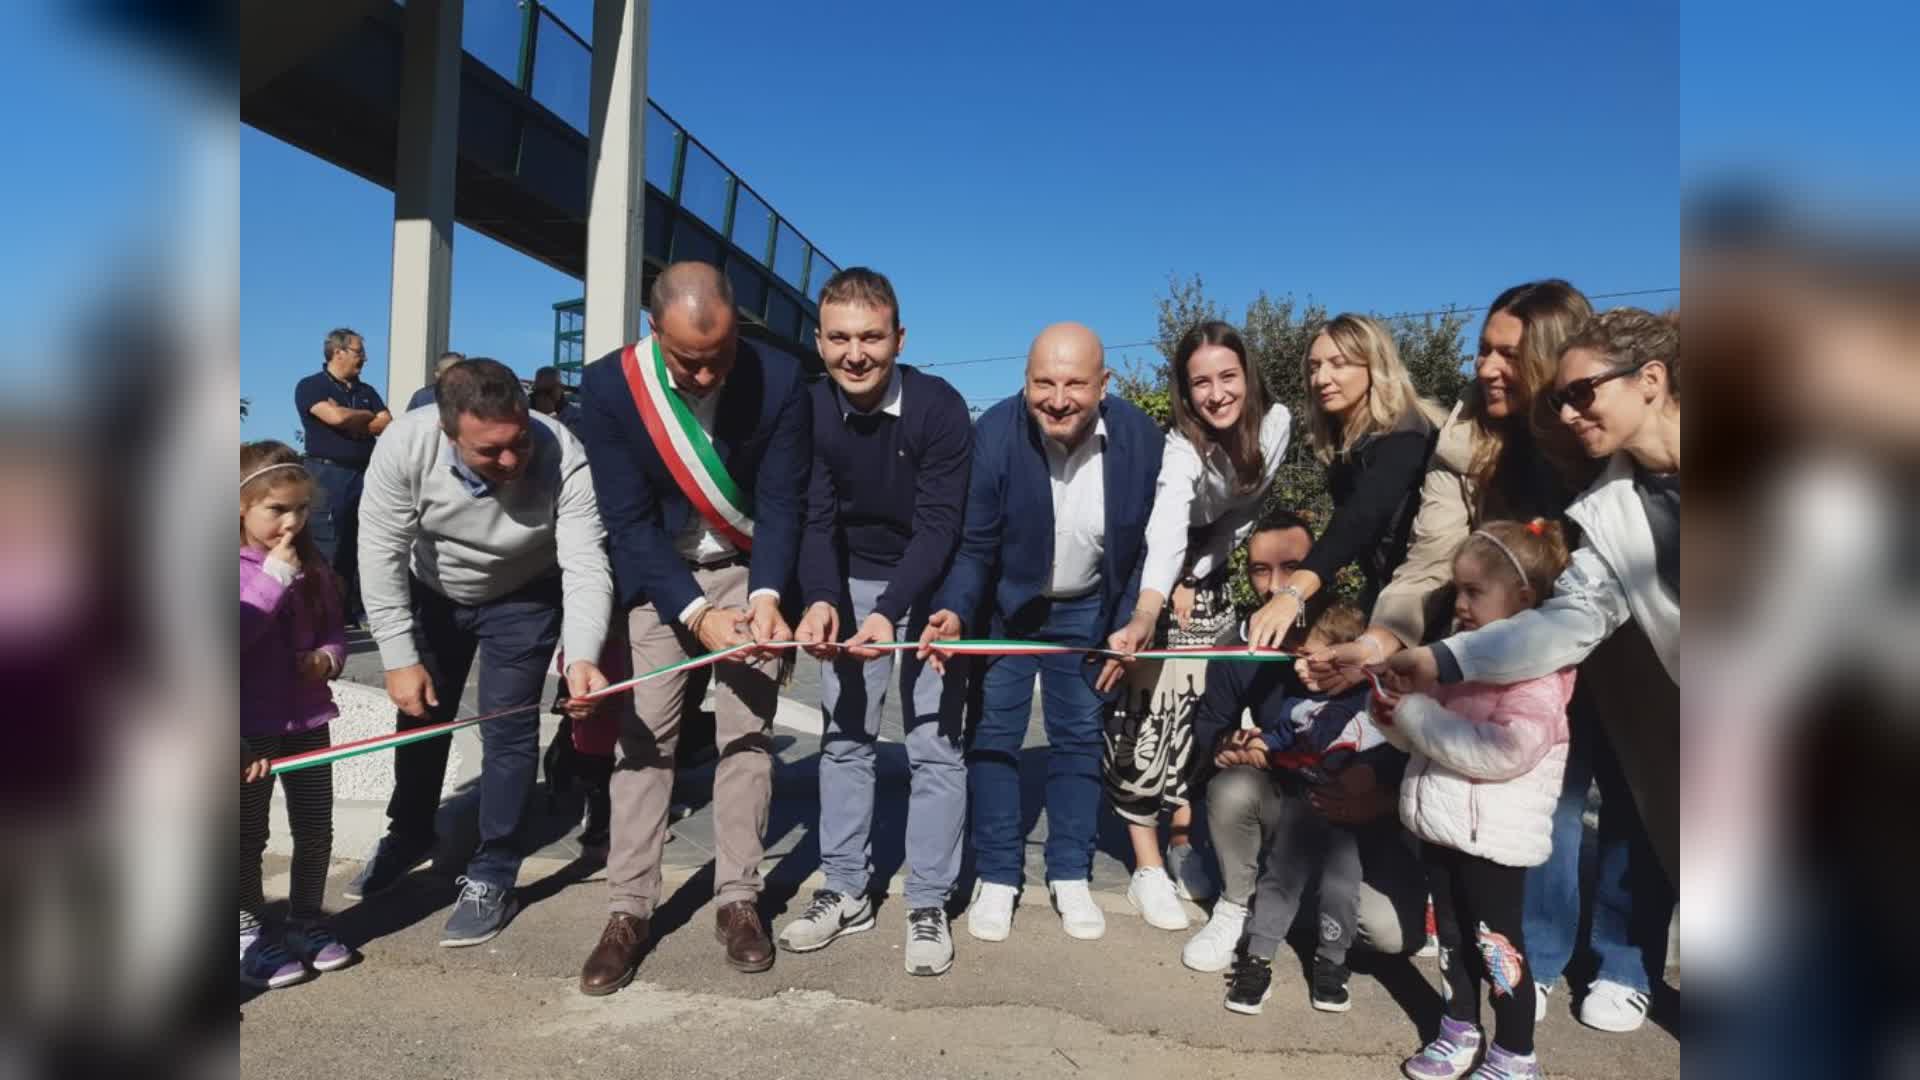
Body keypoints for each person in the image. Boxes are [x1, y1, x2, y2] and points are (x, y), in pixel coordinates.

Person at [1303, 281, 1670, 1027]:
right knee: (1547, 799)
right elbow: (1434, 557)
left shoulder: (1612, 449)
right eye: (1482, 348)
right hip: (1528, 642)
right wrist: (1396, 646)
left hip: (1644, 654)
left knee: (1639, 800)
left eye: (1509, 352)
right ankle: (1528, 959)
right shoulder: (1471, 439)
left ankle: (1625, 957)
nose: (1486, 366)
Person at [572, 261, 810, 992]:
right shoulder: (611, 388)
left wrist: (767, 595)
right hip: (663, 580)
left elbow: (782, 501)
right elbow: (627, 522)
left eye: (720, 357)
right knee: (645, 743)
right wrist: (695, 613)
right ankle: (628, 910)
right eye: (687, 362)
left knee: (746, 740)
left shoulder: (781, 376)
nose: (705, 378)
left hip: (747, 571)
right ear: (653, 332)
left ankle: (739, 898)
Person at [348, 358, 614, 949]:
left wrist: (583, 655)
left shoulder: (562, 449)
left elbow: (586, 561)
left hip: (525, 591)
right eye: (489, 452)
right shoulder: (404, 444)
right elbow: (380, 548)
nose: (511, 461)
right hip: (434, 589)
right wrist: (396, 654)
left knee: (510, 727)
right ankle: (410, 831)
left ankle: (494, 868)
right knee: (418, 712)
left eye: (517, 443)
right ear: (446, 432)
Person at [916, 322, 1162, 944]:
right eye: (1042, 383)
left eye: (1075, 383)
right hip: (1007, 607)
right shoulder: (995, 434)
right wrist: (956, 612)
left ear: (1103, 384)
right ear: (1024, 382)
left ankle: (1070, 873)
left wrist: (1131, 618)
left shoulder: (1140, 437)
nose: (1057, 398)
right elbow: (975, 547)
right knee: (994, 734)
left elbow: (1145, 548)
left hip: (1088, 609)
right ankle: (999, 876)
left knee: (1078, 737)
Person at [783, 268, 973, 976]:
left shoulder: (940, 407)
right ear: (819, 339)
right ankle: (844, 888)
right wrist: (823, 597)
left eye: (870, 337)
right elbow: (814, 516)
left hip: (930, 580)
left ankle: (927, 899)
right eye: (839, 338)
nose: (854, 354)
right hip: (850, 575)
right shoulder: (808, 411)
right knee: (846, 739)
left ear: (899, 338)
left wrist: (892, 612)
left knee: (933, 744)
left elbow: (939, 524)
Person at [1185, 519, 1425, 1017]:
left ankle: (1308, 915)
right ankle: (1237, 905)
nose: (1275, 586)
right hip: (1289, 808)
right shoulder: (1241, 647)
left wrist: (1377, 799)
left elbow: (1415, 750)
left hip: (1363, 825)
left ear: (1323, 569)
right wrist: (1228, 747)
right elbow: (1211, 729)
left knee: (1392, 935)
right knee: (1232, 787)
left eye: (1291, 568)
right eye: (1259, 570)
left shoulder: (1370, 645)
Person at [1097, 320, 1292, 927]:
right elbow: (1165, 530)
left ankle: (1183, 845)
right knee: (1143, 718)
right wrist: (1152, 606)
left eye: (1227, 376)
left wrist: (1203, 567)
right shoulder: (1183, 447)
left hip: (1209, 575)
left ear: (1247, 375)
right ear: (1185, 391)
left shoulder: (1276, 424)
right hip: (1152, 577)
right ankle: (1147, 865)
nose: (1216, 394)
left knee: (1193, 714)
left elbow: (1244, 515)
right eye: (1200, 382)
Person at [1377, 519, 1577, 1080]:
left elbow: (1502, 752)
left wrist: (1416, 715)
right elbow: (1423, 734)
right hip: (1442, 827)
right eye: (1456, 589)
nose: (1459, 604)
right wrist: (1393, 715)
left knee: (1497, 948)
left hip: (1493, 842)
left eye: (1473, 591)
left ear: (1523, 598)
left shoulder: (1537, 677)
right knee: (1452, 940)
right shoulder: (1457, 661)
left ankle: (1516, 1053)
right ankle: (1458, 1026)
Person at [1244, 314, 1443, 649]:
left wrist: (1293, 593)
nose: (1322, 378)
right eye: (1314, 366)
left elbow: (1361, 518)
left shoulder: (1408, 432)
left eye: (1339, 364)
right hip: (1392, 601)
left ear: (1374, 366)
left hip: (1434, 608)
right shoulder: (1345, 447)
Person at [239, 441, 358, 989]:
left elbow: (335, 628)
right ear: (240, 507)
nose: (290, 522)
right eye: (276, 510)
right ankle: (245, 930)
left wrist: (328, 659)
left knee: (315, 828)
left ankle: (307, 920)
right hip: (248, 730)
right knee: (245, 835)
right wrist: (274, 578)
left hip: (309, 723)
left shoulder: (313, 567)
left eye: (300, 509)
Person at [294, 328, 393, 624]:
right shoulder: (311, 386)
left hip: (365, 474)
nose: (364, 358)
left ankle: (353, 610)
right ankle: (322, 613)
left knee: (363, 541)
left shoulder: (366, 391)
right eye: (359, 351)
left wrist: (352, 418)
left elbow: (386, 422)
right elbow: (334, 417)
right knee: (329, 544)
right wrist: (363, 418)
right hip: (327, 474)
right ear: (338, 352)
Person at [530, 365, 585, 432]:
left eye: (548, 392)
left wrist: (549, 417)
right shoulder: (529, 415)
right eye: (538, 392)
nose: (543, 398)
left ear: (560, 388)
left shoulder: (577, 416)